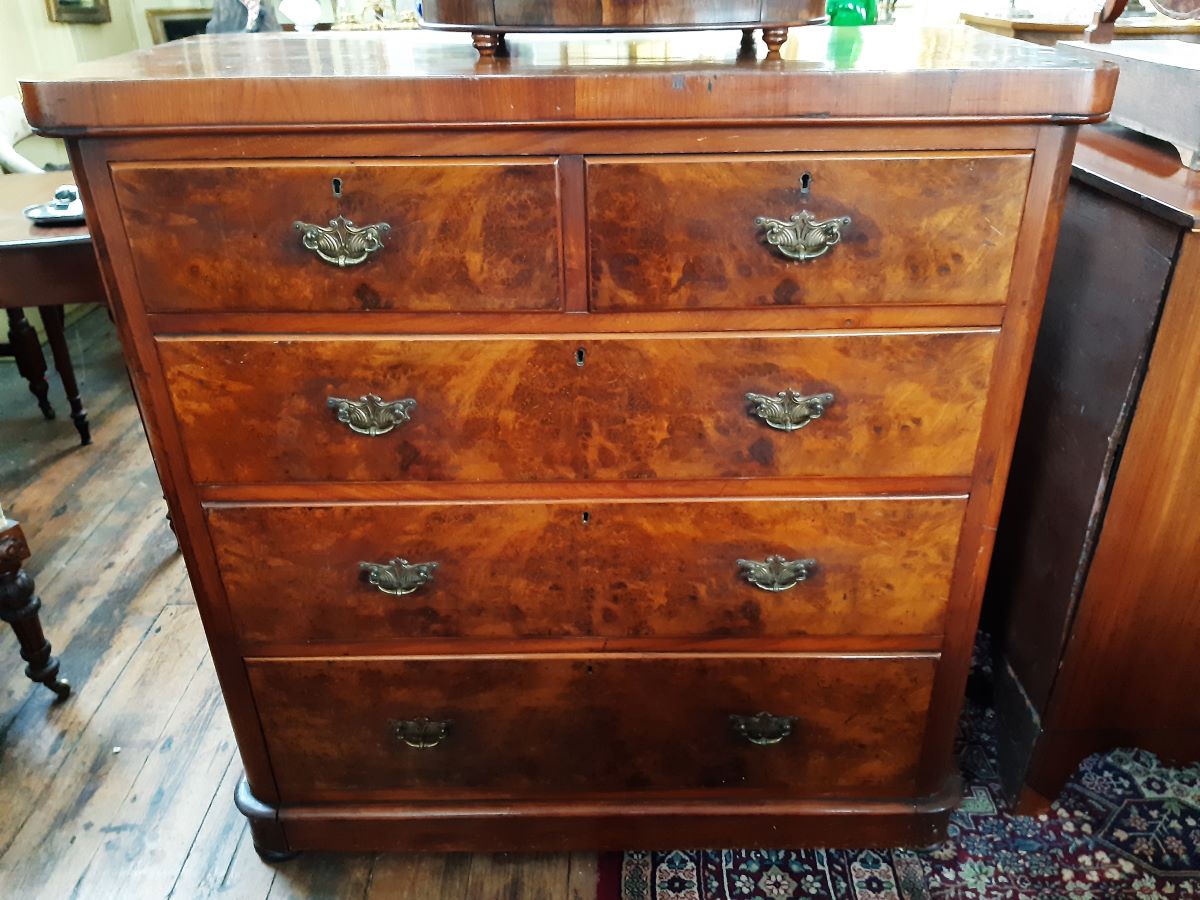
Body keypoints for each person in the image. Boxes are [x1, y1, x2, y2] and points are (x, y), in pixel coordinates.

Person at [206, 0, 281, 33]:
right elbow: (217, 36)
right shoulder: (224, 3)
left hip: (264, 54)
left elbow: (275, 33)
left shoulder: (264, 5)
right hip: (234, 56)